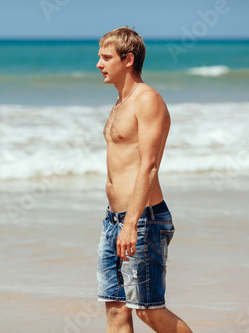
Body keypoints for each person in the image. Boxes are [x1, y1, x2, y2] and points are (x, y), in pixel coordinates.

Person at [96, 27, 192, 333]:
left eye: (106, 57)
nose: (99, 64)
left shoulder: (148, 100)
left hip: (143, 220)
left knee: (149, 312)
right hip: (113, 220)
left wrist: (130, 223)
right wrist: (120, 221)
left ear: (128, 60)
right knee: (116, 308)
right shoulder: (119, 103)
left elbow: (149, 166)